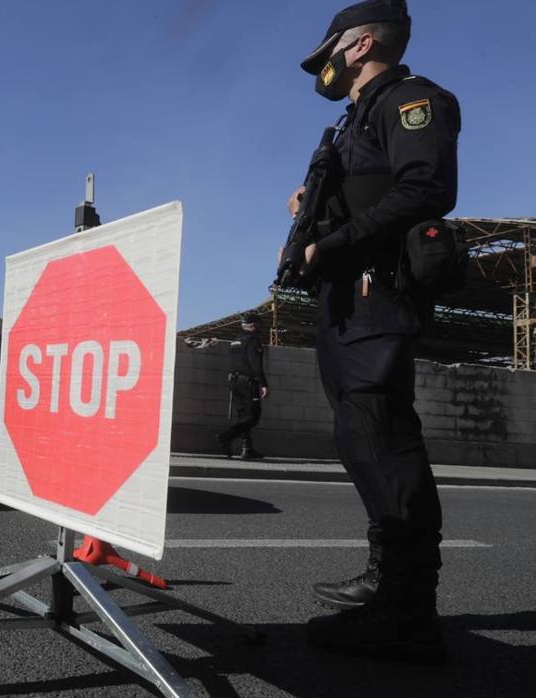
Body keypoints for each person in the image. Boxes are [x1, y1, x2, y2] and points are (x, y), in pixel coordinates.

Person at [282, 0, 458, 664]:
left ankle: (408, 616)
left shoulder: (413, 101)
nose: (321, 69)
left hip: (376, 291)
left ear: (358, 45)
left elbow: (424, 189)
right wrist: (313, 211)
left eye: (327, 53)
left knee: (381, 438)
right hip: (344, 300)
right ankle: (389, 579)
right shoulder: (350, 121)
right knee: (361, 439)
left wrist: (334, 243)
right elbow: (368, 189)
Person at [216, 314, 268, 460]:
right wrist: (263, 383)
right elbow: (255, 364)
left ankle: (247, 448)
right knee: (253, 416)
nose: (260, 328)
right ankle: (226, 437)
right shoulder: (252, 340)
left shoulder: (235, 341)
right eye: (258, 325)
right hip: (247, 382)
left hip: (234, 380)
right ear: (253, 326)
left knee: (243, 416)